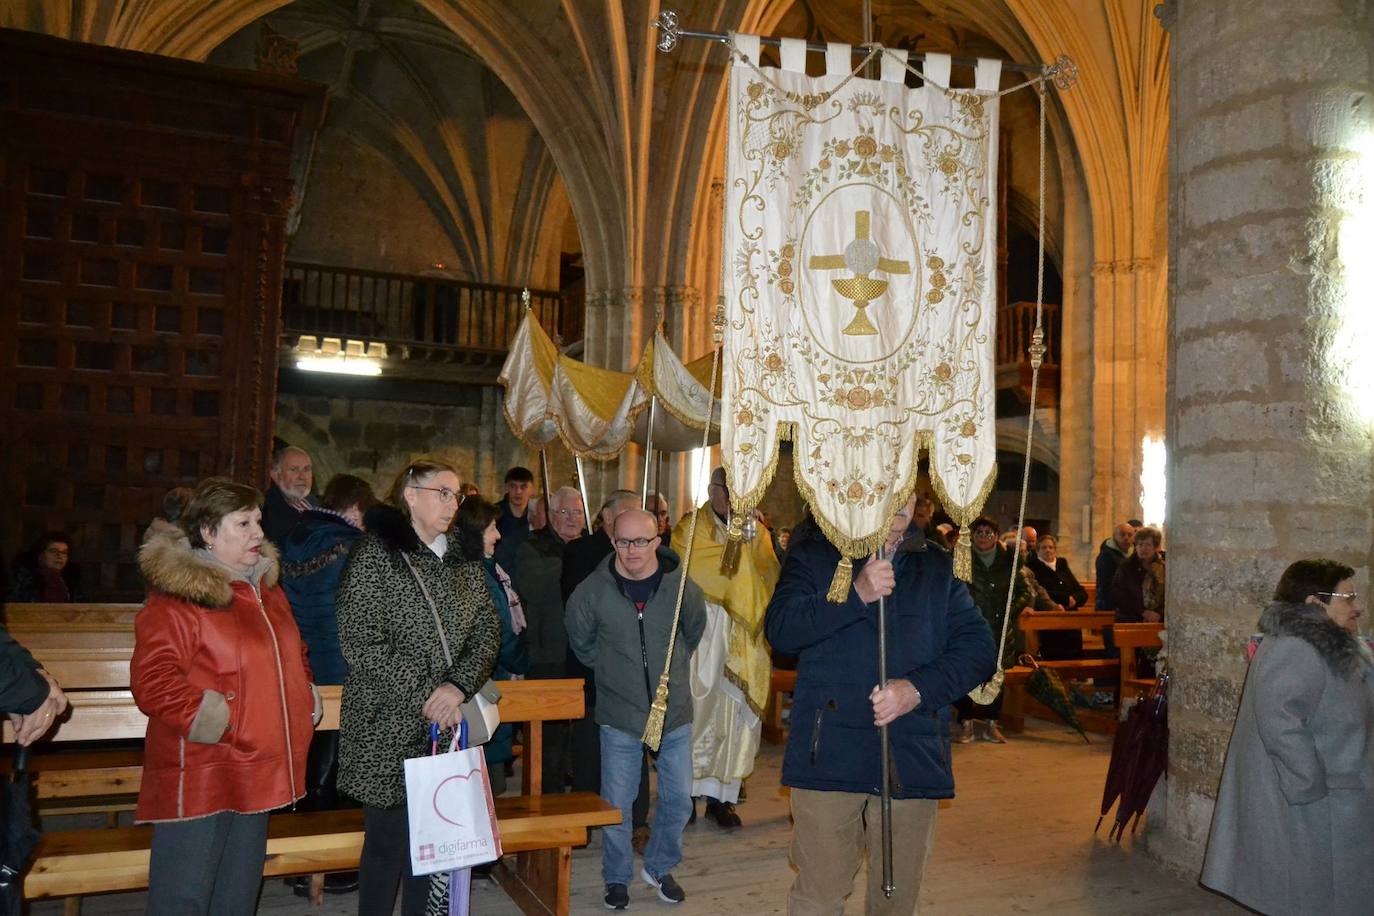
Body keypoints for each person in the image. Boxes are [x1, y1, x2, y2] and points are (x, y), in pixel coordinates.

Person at [764, 496, 996, 916]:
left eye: (907, 489)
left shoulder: (937, 566)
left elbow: (979, 649)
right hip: (829, 751)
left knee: (896, 899)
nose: (899, 501)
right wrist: (856, 594)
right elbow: (782, 631)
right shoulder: (816, 552)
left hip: (910, 752)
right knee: (819, 893)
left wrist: (917, 690)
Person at [131, 477, 319, 915]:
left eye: (258, 521)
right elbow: (152, 678)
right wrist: (215, 719)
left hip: (257, 765)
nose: (258, 533)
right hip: (203, 767)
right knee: (185, 897)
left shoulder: (267, 592)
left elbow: (296, 649)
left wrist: (304, 688)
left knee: (236, 896)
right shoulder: (179, 598)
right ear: (208, 533)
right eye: (243, 523)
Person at [336, 456, 501, 916]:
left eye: (457, 495)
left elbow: (488, 631)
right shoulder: (375, 554)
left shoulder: (463, 558)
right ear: (410, 495)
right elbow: (362, 642)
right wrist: (430, 696)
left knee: (431, 849)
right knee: (387, 847)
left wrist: (456, 687)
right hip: (384, 726)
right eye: (441, 493)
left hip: (445, 728)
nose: (452, 504)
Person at [1201, 559, 1373, 915]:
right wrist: (1309, 786)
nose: (1358, 606)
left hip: (1338, 788)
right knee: (1314, 893)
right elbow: (1280, 723)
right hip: (1316, 799)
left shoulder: (1332, 644)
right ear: (1315, 603)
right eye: (1348, 597)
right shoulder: (1295, 648)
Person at [566, 508, 706, 910]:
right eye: (623, 541)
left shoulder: (680, 587)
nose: (632, 550)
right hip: (621, 715)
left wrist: (673, 667)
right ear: (613, 542)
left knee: (679, 798)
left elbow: (693, 629)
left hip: (673, 711)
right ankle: (616, 878)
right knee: (617, 804)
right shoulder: (593, 590)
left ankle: (660, 866)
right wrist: (615, 672)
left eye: (640, 541)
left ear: (657, 541)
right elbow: (580, 637)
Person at [279, 473, 377, 897]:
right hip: (346, 668)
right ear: (355, 510)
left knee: (309, 759)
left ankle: (299, 862)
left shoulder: (292, 538)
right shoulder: (353, 547)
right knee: (340, 770)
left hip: (302, 668)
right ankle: (333, 865)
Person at [672, 466, 780, 828]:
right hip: (704, 636)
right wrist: (740, 563)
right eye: (727, 490)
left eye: (740, 492)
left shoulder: (757, 532)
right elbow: (696, 568)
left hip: (743, 640)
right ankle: (684, 794)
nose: (733, 499)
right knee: (698, 712)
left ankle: (723, 798)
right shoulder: (691, 528)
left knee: (733, 718)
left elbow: (768, 575)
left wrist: (748, 547)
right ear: (712, 488)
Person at [452, 496, 530, 796]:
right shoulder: (476, 576)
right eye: (492, 528)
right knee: (485, 787)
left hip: (484, 683)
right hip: (482, 688)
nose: (498, 535)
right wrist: (522, 662)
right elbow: (496, 633)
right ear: (474, 533)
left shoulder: (485, 570)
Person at [511, 486, 585, 791]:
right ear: (551, 516)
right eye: (564, 512)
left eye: (577, 512)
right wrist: (570, 559)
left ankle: (580, 796)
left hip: (583, 651)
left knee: (579, 735)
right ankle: (546, 799)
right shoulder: (534, 547)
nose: (571, 518)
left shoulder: (587, 547)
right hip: (547, 653)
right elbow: (533, 588)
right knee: (549, 739)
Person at [958, 516, 1055, 743]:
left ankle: (992, 723)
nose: (983, 537)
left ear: (995, 536)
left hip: (1000, 628)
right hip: (970, 626)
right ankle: (966, 722)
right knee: (965, 674)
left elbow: (1025, 591)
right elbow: (954, 589)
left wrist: (1010, 609)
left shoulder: (1009, 561)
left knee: (996, 677)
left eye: (988, 533)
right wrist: (965, 610)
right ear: (973, 536)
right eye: (979, 533)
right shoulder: (963, 559)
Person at [1024, 533, 1090, 659]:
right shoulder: (1033, 567)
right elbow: (1040, 591)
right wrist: (1065, 599)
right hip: (1049, 618)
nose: (1048, 550)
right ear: (1037, 550)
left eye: (1051, 547)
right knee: (1055, 655)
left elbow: (1080, 591)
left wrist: (1075, 600)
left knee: (1073, 655)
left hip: (1070, 617)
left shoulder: (1062, 564)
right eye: (1044, 547)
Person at [263, 445, 318, 545]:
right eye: (294, 469)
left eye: (307, 469)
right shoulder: (267, 510)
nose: (302, 477)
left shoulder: (314, 502)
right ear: (275, 475)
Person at [1111, 525, 1165, 623]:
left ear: (1156, 547)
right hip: (1131, 618)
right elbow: (1119, 595)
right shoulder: (1126, 567)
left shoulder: (1165, 567)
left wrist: (1160, 614)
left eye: (1148, 544)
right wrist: (1142, 612)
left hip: (1160, 619)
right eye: (1140, 544)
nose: (1143, 548)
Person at [7, 531, 76, 602]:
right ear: (41, 555)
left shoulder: (69, 581)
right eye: (53, 551)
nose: (59, 556)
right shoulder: (25, 580)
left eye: (64, 552)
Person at [493, 466, 535, 573]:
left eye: (523, 487)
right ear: (506, 487)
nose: (518, 491)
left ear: (532, 489)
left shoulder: (537, 515)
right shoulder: (493, 514)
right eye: (513, 486)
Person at [1094, 522, 1136, 609]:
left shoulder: (1135, 554)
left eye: (1130, 535)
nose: (1126, 538)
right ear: (1114, 536)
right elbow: (1107, 585)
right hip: (1109, 604)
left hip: (1129, 604)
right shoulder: (1106, 556)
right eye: (1122, 534)